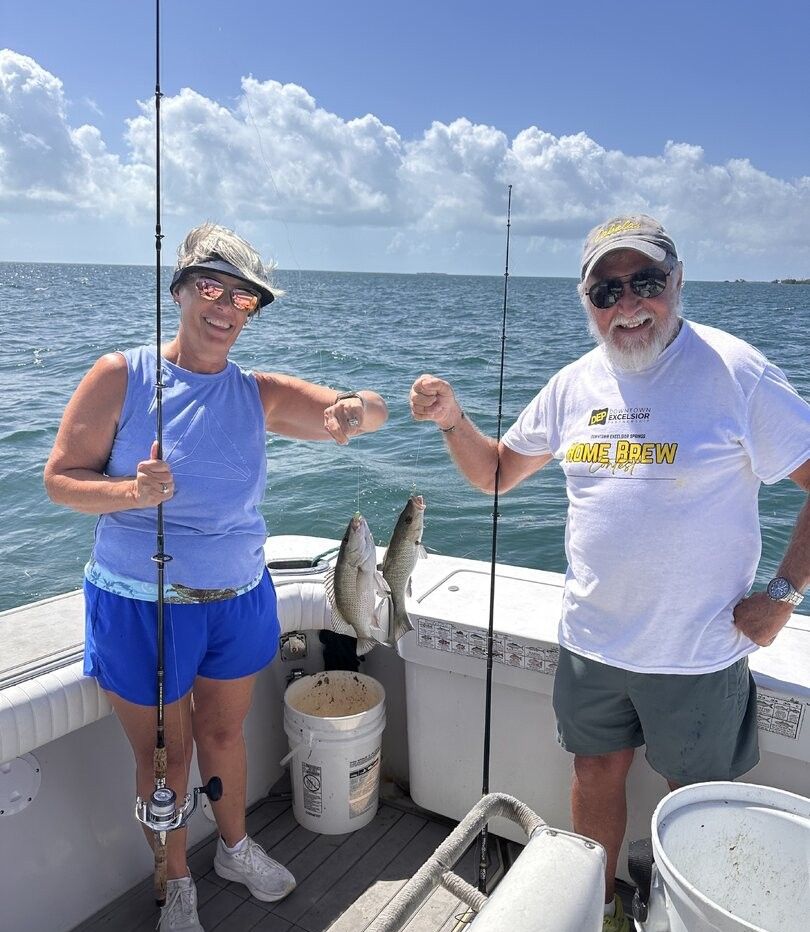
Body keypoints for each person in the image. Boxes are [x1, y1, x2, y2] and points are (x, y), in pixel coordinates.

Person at [409, 214, 810, 932]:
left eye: (646, 282)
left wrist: (783, 595)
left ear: (677, 284)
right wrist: (451, 419)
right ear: (585, 300)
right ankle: (597, 912)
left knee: (699, 801)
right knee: (594, 776)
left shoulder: (736, 371)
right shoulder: (573, 384)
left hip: (699, 654)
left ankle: (687, 916)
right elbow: (497, 472)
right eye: (606, 289)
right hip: (592, 645)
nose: (627, 304)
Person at [44, 223, 388, 932]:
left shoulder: (257, 392)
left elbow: (363, 412)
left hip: (238, 601)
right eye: (211, 287)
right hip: (144, 606)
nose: (226, 307)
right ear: (179, 292)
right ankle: (173, 882)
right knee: (167, 762)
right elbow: (59, 481)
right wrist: (129, 495)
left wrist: (358, 411)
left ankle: (233, 847)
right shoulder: (121, 375)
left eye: (245, 298)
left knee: (226, 739)